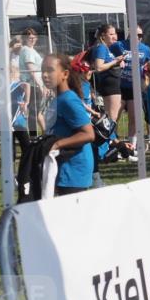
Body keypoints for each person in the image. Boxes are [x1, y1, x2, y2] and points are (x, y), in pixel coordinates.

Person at [41, 54, 95, 195]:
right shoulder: (57, 99)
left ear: (65, 74)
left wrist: (57, 145)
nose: (45, 75)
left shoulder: (68, 100)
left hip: (74, 170)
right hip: (62, 166)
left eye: (50, 70)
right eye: (42, 71)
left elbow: (88, 134)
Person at [111, 25, 150, 148]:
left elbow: (149, 65)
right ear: (130, 34)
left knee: (134, 118)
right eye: (136, 35)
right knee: (114, 117)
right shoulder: (118, 45)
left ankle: (132, 147)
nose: (139, 38)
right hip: (119, 86)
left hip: (135, 87)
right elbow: (107, 56)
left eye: (141, 35)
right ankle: (113, 145)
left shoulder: (145, 49)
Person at [91, 24, 126, 126]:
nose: (115, 36)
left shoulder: (107, 48)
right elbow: (99, 67)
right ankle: (109, 140)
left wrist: (117, 62)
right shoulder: (101, 47)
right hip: (109, 86)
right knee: (111, 117)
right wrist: (115, 61)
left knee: (111, 116)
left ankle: (109, 139)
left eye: (115, 33)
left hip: (112, 84)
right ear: (103, 36)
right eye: (111, 34)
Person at [18, 28, 45, 135]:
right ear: (25, 38)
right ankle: (33, 137)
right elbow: (31, 70)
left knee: (37, 112)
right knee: (33, 113)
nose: (32, 39)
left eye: (34, 37)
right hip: (32, 85)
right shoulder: (27, 50)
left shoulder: (31, 50)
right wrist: (41, 86)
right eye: (30, 37)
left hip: (35, 85)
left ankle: (45, 134)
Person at [10, 64, 31, 157]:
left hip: (18, 119)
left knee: (25, 144)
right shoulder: (5, 86)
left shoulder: (16, 84)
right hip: (10, 119)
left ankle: (28, 163)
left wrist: (27, 101)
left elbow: (27, 85)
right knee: (10, 147)